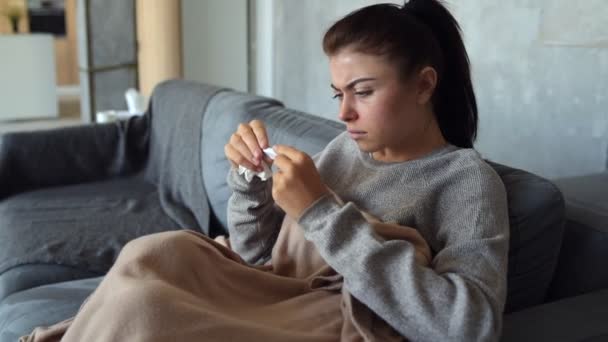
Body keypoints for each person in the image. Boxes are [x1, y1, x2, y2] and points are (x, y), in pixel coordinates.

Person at [22, 1, 509, 341]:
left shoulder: (465, 180)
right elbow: (259, 261)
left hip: (328, 318)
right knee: (155, 252)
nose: (344, 114)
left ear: (423, 85)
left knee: (144, 311)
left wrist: (319, 211)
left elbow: (468, 326)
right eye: (338, 94)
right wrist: (251, 183)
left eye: (362, 91)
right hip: (273, 292)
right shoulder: (343, 150)